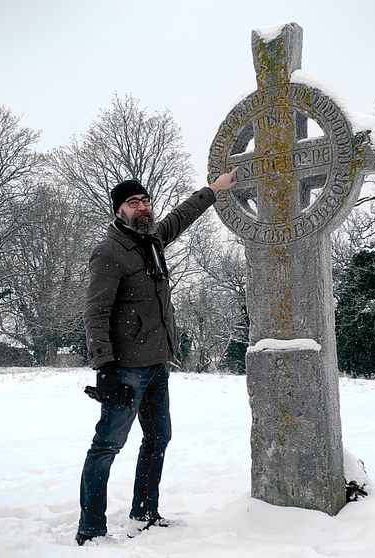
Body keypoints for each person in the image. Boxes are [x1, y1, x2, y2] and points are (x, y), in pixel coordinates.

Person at [76, 170, 238, 546]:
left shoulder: (151, 240)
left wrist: (214, 189)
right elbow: (95, 312)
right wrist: (104, 369)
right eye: (133, 203)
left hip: (156, 364)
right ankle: (91, 529)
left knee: (158, 437)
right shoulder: (109, 252)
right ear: (118, 211)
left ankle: (144, 513)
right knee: (107, 445)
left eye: (145, 201)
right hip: (126, 369)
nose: (143, 207)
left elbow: (181, 215)